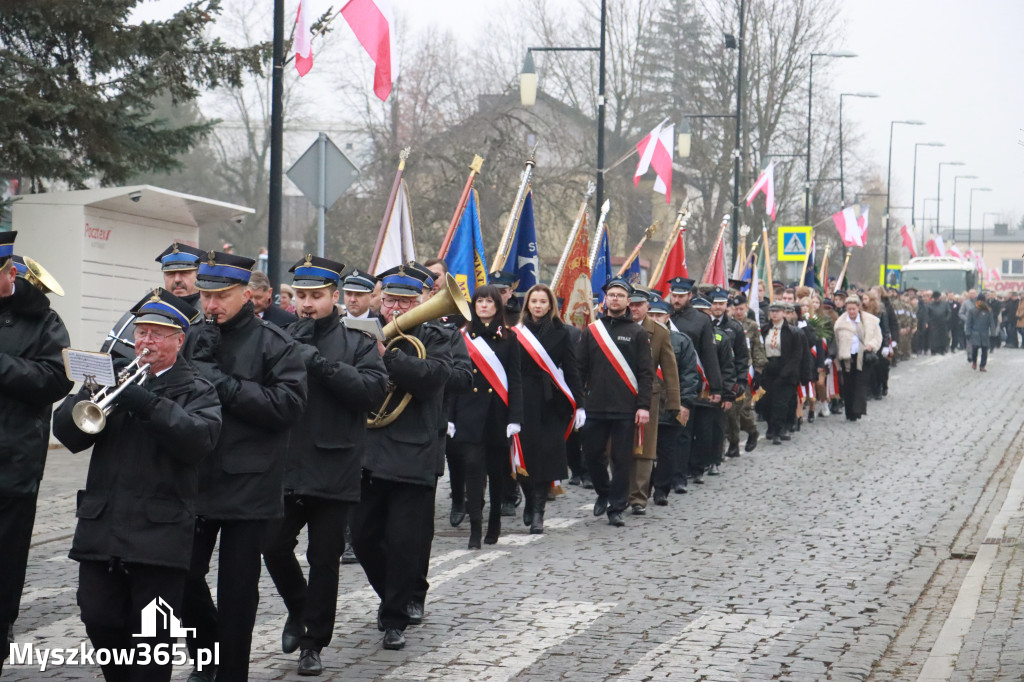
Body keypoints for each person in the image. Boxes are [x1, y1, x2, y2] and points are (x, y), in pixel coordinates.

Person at [53, 290, 221, 682]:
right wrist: (88, 393)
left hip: (159, 533)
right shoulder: (116, 381)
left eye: (158, 334)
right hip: (103, 525)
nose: (146, 341)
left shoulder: (198, 389)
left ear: (179, 341)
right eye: (142, 332)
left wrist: (147, 404)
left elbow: (197, 442)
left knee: (152, 636)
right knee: (97, 614)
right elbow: (70, 436)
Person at [181, 251, 308, 682]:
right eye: (206, 296)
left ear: (247, 295)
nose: (211, 306)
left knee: (237, 590)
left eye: (221, 296)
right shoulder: (191, 334)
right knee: (181, 576)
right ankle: (207, 651)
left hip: (249, 483)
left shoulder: (275, 342)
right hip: (195, 475)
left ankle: (232, 671)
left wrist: (222, 383)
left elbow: (288, 406)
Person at [262, 257, 387, 676]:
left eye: (317, 296)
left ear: (335, 297)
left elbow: (372, 391)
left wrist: (319, 363)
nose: (307, 304)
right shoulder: (278, 335)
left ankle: (313, 643)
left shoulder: (358, 341)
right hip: (287, 464)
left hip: (335, 465)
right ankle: (300, 609)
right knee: (273, 545)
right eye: (301, 296)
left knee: (324, 557)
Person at [350, 262, 452, 652]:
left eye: (406, 301)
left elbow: (432, 379)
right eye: (391, 299)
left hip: (413, 454)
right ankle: (392, 593)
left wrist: (387, 356)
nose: (397, 307)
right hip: (368, 451)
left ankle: (394, 616)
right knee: (363, 537)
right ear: (380, 299)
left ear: (421, 301)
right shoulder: (358, 334)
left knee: (405, 541)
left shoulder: (437, 336)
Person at [0, 232, 73, 671]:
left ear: (9, 274)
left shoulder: (45, 320)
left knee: (6, 558)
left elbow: (57, 379)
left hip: (13, 461)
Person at [448, 285, 523, 547]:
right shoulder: (462, 337)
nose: (483, 306)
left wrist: (515, 417)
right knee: (473, 473)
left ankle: (494, 524)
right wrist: (450, 417)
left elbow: (515, 380)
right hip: (469, 415)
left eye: (489, 301)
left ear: (497, 306)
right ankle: (475, 532)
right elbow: (454, 379)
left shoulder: (509, 338)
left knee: (497, 474)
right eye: (479, 301)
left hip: (497, 416)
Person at [577, 277, 653, 527]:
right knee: (591, 454)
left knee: (622, 459)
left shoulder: (637, 333)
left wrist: (643, 406)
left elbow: (645, 373)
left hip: (625, 408)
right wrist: (579, 403)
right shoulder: (591, 332)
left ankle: (617, 507)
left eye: (620, 295)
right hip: (595, 406)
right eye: (612, 295)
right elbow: (580, 369)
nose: (616, 299)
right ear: (605, 300)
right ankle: (603, 491)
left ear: (628, 301)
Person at [514, 284, 585, 533]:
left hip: (551, 401)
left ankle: (538, 511)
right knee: (524, 457)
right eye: (534, 301)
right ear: (527, 304)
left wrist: (580, 405)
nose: (538, 306)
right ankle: (528, 498)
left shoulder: (562, 333)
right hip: (523, 400)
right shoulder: (516, 332)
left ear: (550, 305)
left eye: (543, 301)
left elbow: (572, 369)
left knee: (546, 458)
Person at [627, 287, 679, 515]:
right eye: (632, 304)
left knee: (644, 447)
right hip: (619, 395)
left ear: (648, 306)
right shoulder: (612, 327)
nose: (634, 308)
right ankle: (620, 490)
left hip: (650, 395)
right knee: (617, 446)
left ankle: (638, 497)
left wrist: (674, 402)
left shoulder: (658, 332)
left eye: (639, 304)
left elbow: (669, 368)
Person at [667, 277, 722, 486]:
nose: (676, 300)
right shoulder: (663, 315)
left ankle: (682, 475)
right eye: (674, 295)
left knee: (685, 431)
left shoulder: (700, 320)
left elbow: (709, 355)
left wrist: (716, 386)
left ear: (690, 296)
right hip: (665, 381)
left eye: (681, 296)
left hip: (690, 381)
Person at [649, 296, 699, 505]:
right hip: (647, 403)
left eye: (658, 315)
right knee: (643, 449)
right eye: (651, 315)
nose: (654, 319)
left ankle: (661, 489)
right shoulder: (640, 335)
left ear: (667, 316)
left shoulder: (681, 340)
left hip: (670, 402)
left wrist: (685, 402)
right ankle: (643, 485)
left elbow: (689, 374)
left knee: (667, 449)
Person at [692, 296, 736, 476]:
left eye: (704, 312)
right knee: (696, 430)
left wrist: (727, 393)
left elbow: (727, 367)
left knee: (714, 428)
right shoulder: (687, 332)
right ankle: (695, 464)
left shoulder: (720, 336)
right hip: (694, 388)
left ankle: (714, 460)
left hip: (713, 389)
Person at [833, 295, 882, 422]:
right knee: (848, 385)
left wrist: (871, 345)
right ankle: (849, 411)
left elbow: (877, 337)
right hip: (847, 357)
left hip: (863, 357)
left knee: (860, 384)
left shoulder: (869, 321)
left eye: (853, 309)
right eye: (849, 309)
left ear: (858, 308)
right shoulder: (840, 323)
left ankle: (858, 409)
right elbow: (837, 342)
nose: (851, 312)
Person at [760, 302, 801, 445]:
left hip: (785, 370)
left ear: (783, 312)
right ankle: (770, 426)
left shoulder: (792, 331)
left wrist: (786, 372)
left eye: (777, 311)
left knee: (780, 403)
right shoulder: (765, 329)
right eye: (772, 311)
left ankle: (778, 430)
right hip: (768, 368)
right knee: (765, 401)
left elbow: (796, 355)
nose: (774, 314)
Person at [966, 293, 996, 371]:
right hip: (975, 332)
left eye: (982, 301)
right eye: (979, 300)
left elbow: (991, 322)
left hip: (984, 333)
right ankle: (974, 362)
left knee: (984, 350)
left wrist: (993, 332)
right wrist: (968, 332)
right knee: (975, 349)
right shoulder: (972, 310)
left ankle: (982, 365)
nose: (980, 302)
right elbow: (969, 322)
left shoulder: (988, 310)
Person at [926, 291, 951, 355]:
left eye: (938, 298)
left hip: (943, 322)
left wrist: (946, 319)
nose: (937, 299)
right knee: (933, 337)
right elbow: (927, 314)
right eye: (935, 298)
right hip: (933, 323)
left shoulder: (945, 304)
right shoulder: (930, 304)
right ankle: (933, 350)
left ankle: (942, 349)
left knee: (943, 337)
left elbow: (949, 312)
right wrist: (928, 321)